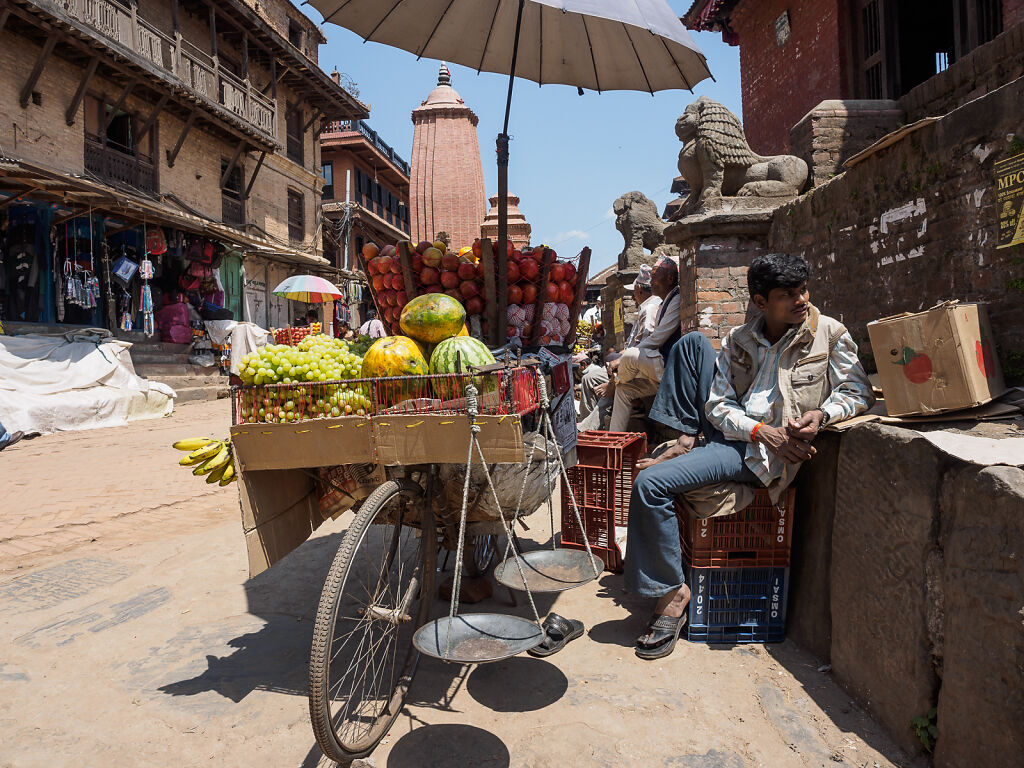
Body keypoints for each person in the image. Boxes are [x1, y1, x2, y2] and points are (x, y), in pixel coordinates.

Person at [623, 253, 874, 660]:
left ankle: (670, 597)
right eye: (787, 295)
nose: (801, 300)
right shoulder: (740, 339)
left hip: (764, 457)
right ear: (761, 302)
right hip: (742, 439)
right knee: (690, 349)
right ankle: (674, 580)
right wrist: (760, 430)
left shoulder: (829, 333)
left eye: (803, 290)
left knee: (651, 483)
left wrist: (822, 415)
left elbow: (858, 391)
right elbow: (719, 405)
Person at [578, 265, 662, 430]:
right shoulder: (646, 307)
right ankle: (589, 425)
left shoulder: (650, 308)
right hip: (634, 363)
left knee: (601, 382)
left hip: (641, 366)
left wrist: (612, 381)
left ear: (639, 289)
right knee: (593, 377)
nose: (632, 295)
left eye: (633, 291)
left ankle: (588, 428)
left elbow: (643, 347)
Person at [606, 257, 681, 432]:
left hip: (667, 366)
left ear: (669, 279)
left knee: (631, 356)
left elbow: (657, 339)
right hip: (656, 369)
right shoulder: (664, 302)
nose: (651, 282)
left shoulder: (675, 300)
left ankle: (614, 380)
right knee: (624, 390)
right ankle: (614, 438)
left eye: (655, 277)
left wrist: (623, 359)